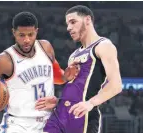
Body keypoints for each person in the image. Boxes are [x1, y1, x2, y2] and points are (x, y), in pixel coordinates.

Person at [0, 12, 80, 133]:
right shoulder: (2, 61)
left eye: (30, 34)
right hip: (18, 124)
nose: (26, 40)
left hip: (48, 122)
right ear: (14, 33)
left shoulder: (46, 47)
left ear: (36, 31)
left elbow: (57, 77)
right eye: (21, 35)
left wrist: (65, 76)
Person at [36, 5, 122, 133]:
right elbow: (75, 88)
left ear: (87, 20)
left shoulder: (103, 46)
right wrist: (59, 102)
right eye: (67, 24)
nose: (68, 28)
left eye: (73, 22)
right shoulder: (74, 55)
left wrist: (91, 103)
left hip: (82, 115)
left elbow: (116, 85)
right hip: (60, 113)